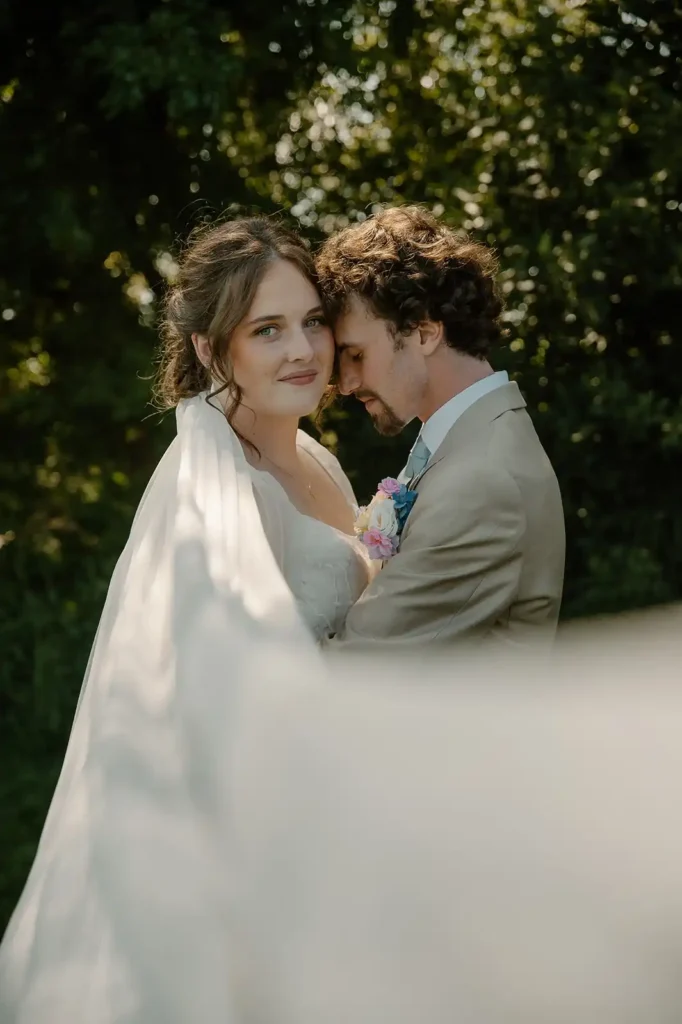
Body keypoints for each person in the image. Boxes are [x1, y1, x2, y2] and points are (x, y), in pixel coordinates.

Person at [0, 217, 371, 1023]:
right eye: (267, 330)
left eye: (312, 321)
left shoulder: (317, 462)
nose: (303, 349)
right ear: (211, 349)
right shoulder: (215, 487)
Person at [316, 205, 565, 651]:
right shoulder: (465, 444)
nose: (347, 384)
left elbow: (357, 669)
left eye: (356, 355)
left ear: (425, 333)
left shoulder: (482, 480)